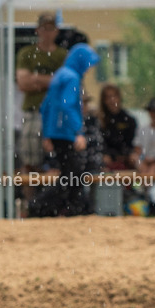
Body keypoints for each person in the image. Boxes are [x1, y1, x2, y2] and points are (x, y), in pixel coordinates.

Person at [37, 44, 99, 216]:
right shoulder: (71, 77)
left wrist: (47, 133)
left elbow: (45, 107)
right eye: (87, 65)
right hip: (64, 132)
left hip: (55, 131)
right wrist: (78, 132)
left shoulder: (60, 74)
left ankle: (75, 208)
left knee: (71, 172)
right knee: (72, 173)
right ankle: (41, 205)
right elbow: (67, 105)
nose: (88, 70)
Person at [16, 13, 68, 202]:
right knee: (30, 162)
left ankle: (54, 203)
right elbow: (23, 83)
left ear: (56, 31)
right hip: (34, 112)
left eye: (51, 28)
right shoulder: (27, 53)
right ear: (38, 30)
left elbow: (68, 84)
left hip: (58, 114)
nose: (48, 32)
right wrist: (53, 81)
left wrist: (37, 78)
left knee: (58, 161)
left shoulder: (63, 55)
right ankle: (32, 203)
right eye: (45, 28)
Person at [99, 84, 138, 169]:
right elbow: (101, 143)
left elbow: (132, 143)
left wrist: (128, 155)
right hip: (107, 158)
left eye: (114, 96)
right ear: (104, 101)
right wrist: (107, 154)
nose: (112, 100)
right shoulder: (100, 121)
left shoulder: (129, 120)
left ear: (119, 98)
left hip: (125, 157)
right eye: (108, 97)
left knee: (135, 160)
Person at [134, 97, 155, 175]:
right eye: (153, 111)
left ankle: (144, 185)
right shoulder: (142, 129)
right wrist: (144, 158)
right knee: (140, 165)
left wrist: (154, 159)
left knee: (153, 170)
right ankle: (138, 186)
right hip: (144, 158)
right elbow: (137, 147)